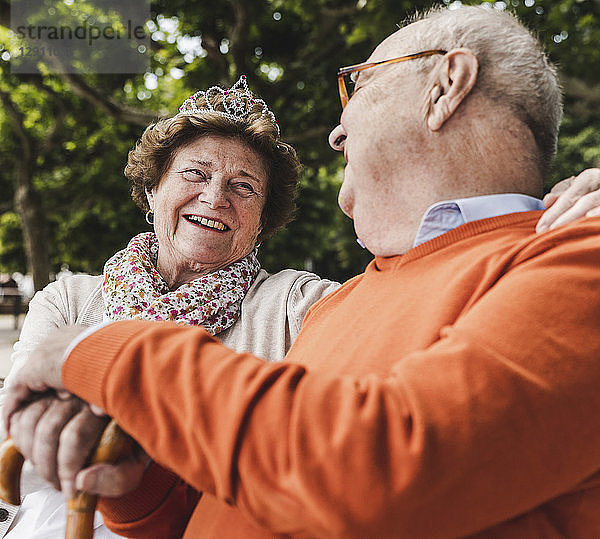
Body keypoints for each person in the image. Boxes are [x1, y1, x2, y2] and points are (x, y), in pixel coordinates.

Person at [4, 5, 600, 537]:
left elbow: (376, 469)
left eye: (356, 86)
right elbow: (251, 499)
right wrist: (139, 488)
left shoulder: (577, 256)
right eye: (194, 175)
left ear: (447, 85)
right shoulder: (352, 297)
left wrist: (109, 353)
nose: (338, 132)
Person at [0, 76, 339, 537]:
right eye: (195, 174)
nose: (215, 197)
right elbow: (21, 441)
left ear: (262, 222)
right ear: (152, 191)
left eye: (244, 187)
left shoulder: (292, 304)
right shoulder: (70, 299)